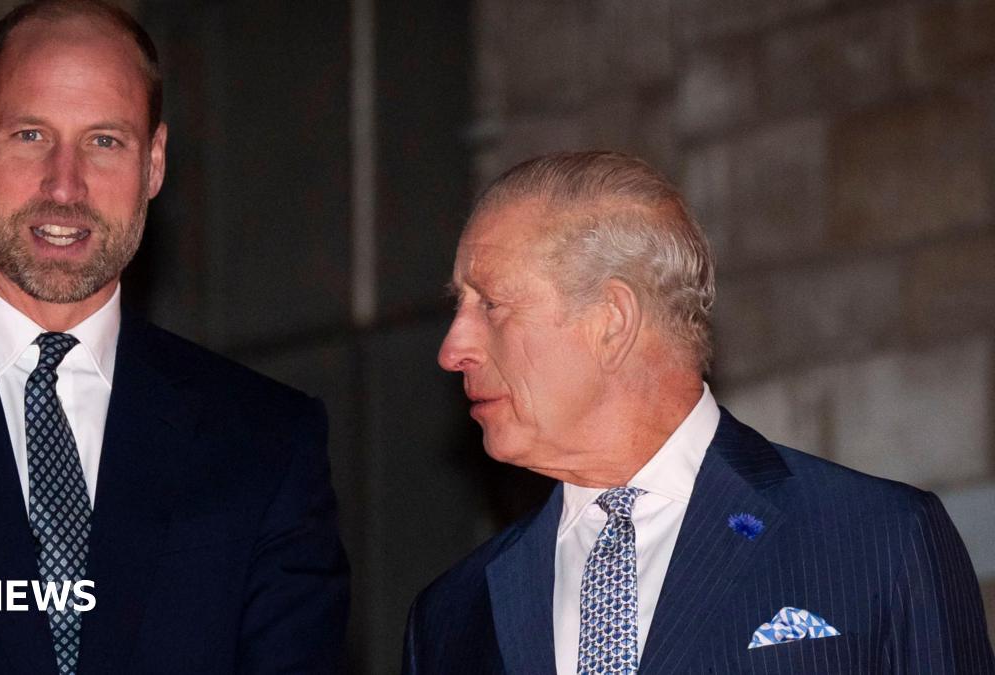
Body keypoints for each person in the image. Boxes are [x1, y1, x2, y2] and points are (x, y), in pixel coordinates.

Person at [0, 1, 348, 673]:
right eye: (30, 135)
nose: (65, 185)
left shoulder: (265, 445)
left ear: (155, 163)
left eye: (104, 141)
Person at [403, 151, 993, 674]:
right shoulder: (453, 615)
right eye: (460, 307)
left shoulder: (878, 539)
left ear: (612, 320)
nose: (454, 350)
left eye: (492, 304)